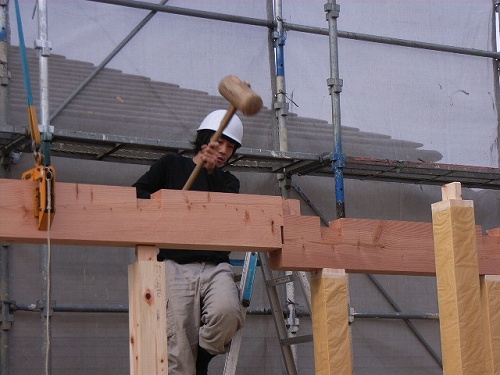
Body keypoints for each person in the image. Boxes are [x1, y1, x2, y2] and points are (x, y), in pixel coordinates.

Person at [132, 109, 246, 375]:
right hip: (175, 263)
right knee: (178, 343)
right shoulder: (171, 164)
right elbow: (137, 193)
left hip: (216, 263)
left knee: (228, 311)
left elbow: (224, 210)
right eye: (221, 142)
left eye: (231, 147)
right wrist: (165, 206)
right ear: (205, 139)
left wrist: (208, 171)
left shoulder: (228, 181)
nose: (224, 151)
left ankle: (203, 360)